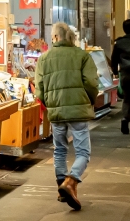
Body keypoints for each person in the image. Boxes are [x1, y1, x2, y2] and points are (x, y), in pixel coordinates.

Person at [36, 21, 99, 210]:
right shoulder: (82, 56)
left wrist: (51, 104)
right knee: (83, 152)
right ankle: (71, 182)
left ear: (55, 37)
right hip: (78, 109)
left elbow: (40, 89)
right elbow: (91, 83)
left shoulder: (44, 58)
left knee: (60, 150)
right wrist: (89, 99)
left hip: (56, 110)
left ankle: (60, 188)